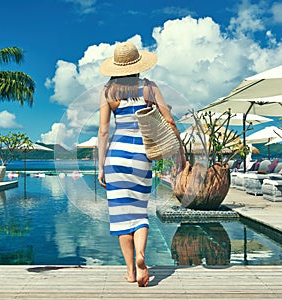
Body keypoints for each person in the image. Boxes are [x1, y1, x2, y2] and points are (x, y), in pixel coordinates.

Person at [97, 41, 185, 287]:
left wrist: (101, 166)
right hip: (141, 157)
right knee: (139, 213)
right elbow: (169, 120)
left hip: (116, 157)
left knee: (121, 216)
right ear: (137, 65)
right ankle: (141, 255)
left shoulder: (108, 91)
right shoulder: (149, 87)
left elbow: (104, 131)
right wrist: (180, 153)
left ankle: (129, 272)